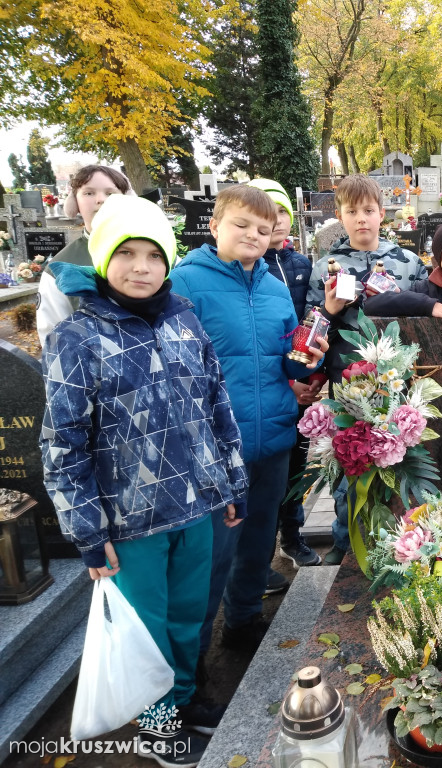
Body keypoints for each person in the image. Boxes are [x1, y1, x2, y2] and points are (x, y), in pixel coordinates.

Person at [39, 196, 247, 766]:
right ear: (104, 259)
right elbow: (62, 441)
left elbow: (216, 404)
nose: (140, 268)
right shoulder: (77, 338)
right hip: (130, 520)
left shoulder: (183, 318)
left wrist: (230, 482)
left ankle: (182, 699)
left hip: (196, 503)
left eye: (152, 255)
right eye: (125, 254)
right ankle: (157, 726)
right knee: (147, 628)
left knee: (188, 617)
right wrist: (86, 529)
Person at [172, 184, 326, 656]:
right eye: (241, 224)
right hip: (217, 445)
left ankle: (242, 622)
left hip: (272, 437)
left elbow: (286, 359)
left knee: (259, 541)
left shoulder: (277, 290)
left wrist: (307, 362)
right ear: (215, 225)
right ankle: (191, 669)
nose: (253, 235)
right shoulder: (185, 283)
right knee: (211, 558)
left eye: (263, 229)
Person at [304, 175, 428, 565]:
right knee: (351, 463)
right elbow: (310, 327)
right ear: (340, 215)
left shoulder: (407, 263)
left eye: (369, 211)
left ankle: (409, 543)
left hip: (399, 382)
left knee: (403, 460)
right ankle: (347, 546)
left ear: (382, 214)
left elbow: (427, 319)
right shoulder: (326, 265)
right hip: (348, 385)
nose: (362, 219)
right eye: (352, 211)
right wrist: (330, 310)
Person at [246, 178, 322, 575]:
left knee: (296, 465)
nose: (276, 222)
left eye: (282, 215)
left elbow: (312, 322)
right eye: (268, 215)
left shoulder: (300, 265)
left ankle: (291, 538)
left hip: (300, 378)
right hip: (267, 384)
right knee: (260, 477)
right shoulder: (246, 268)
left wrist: (309, 379)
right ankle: (255, 559)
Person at [36, 165, 134, 344]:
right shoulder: (59, 268)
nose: (100, 200)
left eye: (110, 193)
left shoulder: (160, 253)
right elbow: (53, 339)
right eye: (89, 193)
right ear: (76, 204)